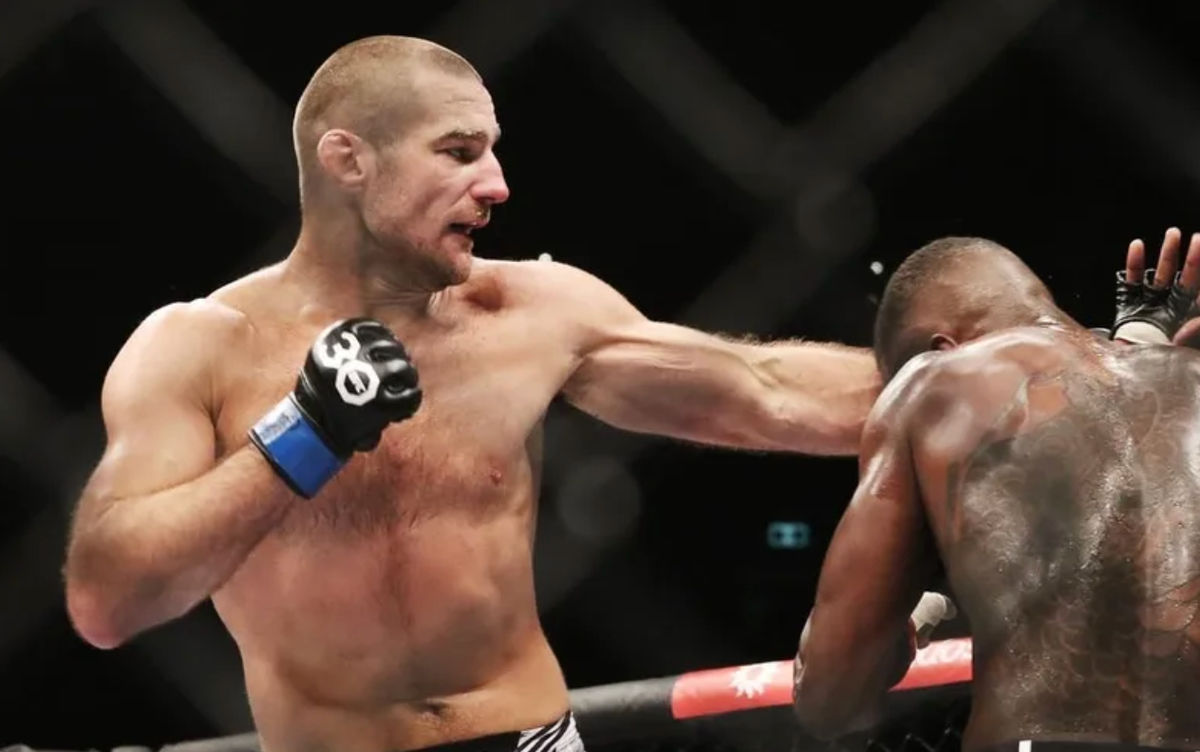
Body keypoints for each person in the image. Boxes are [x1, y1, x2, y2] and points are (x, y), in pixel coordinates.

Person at [61, 35, 885, 752]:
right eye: (458, 152)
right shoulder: (198, 347)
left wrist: (971, 377)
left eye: (492, 152)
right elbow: (107, 600)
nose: (496, 185)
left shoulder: (533, 314)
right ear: (348, 160)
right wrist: (302, 436)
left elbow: (761, 389)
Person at [790, 229, 1200, 752]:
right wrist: (1141, 344)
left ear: (943, 348)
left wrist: (912, 605)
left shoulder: (933, 384)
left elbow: (830, 696)